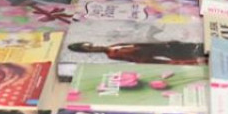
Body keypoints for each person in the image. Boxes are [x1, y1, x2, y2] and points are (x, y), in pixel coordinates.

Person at [67, 40, 205, 65]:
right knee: (189, 55)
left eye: (91, 45)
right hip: (160, 55)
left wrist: (164, 43)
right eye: (90, 48)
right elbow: (139, 58)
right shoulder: (112, 54)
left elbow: (139, 44)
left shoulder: (113, 46)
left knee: (191, 47)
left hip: (163, 47)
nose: (95, 47)